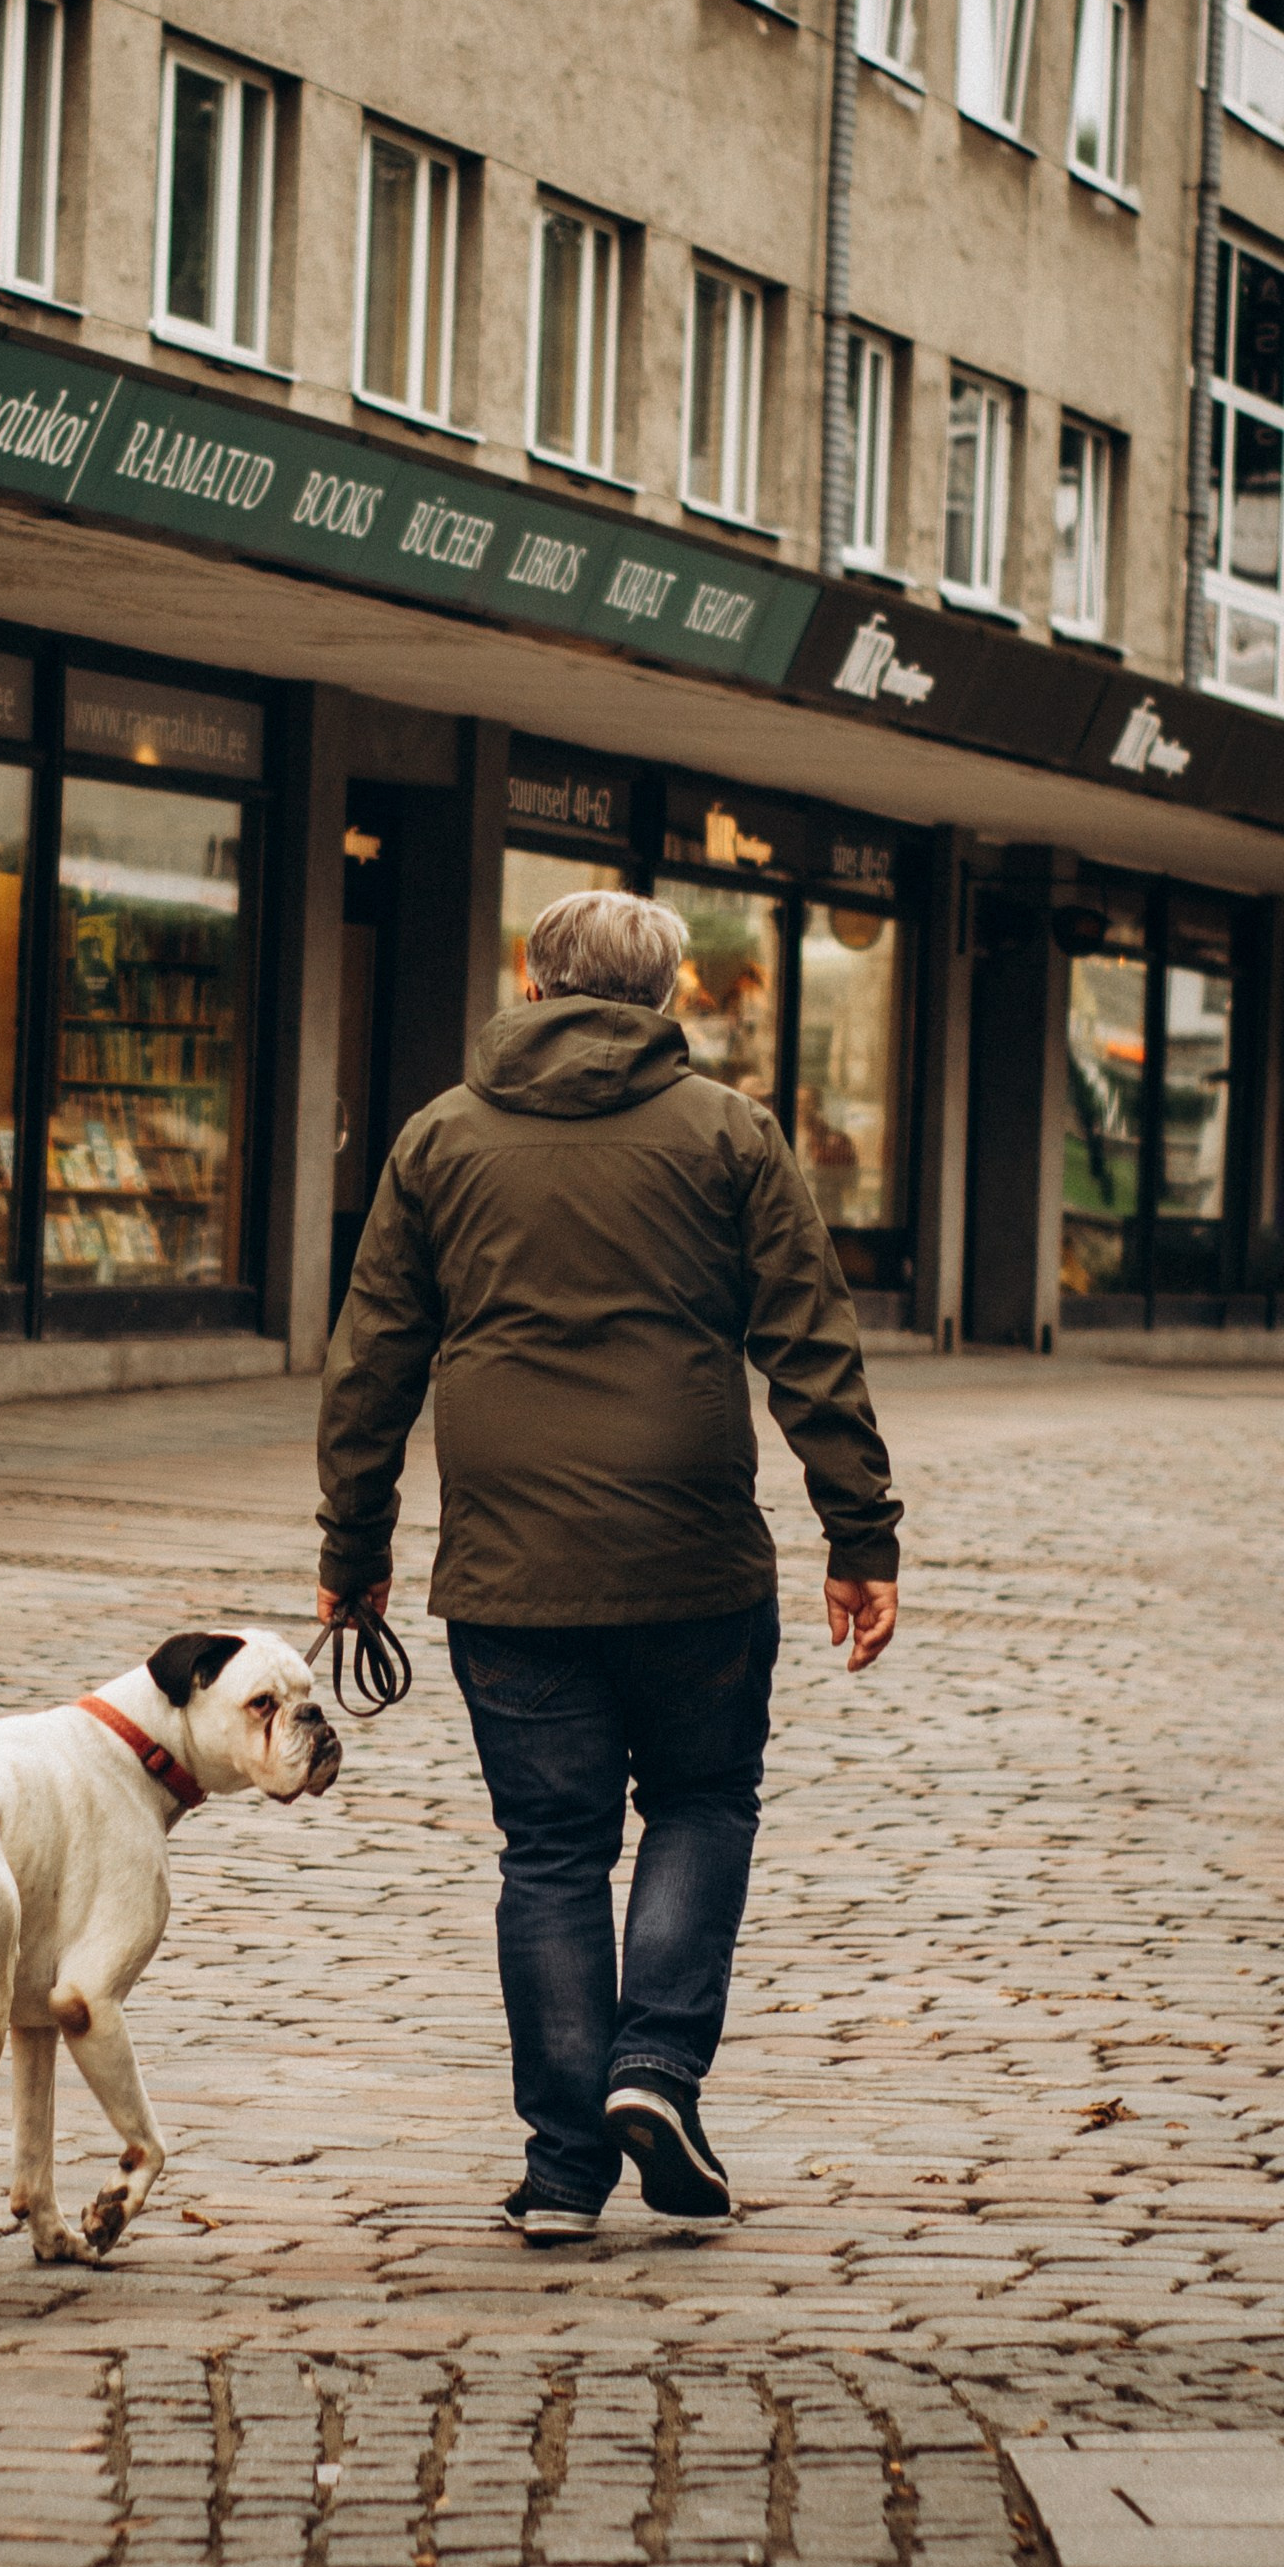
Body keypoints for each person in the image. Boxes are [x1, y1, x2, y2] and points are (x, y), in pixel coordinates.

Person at [315, 888, 900, 2240]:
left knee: (553, 1848)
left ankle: (564, 2171)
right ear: (670, 997)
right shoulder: (730, 1134)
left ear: (531, 983)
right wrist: (859, 1534)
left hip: (511, 1563)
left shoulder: (440, 1140)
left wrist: (354, 1552)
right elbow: (812, 1342)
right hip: (694, 1549)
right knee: (701, 1801)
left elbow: (372, 1364)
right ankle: (656, 2070)